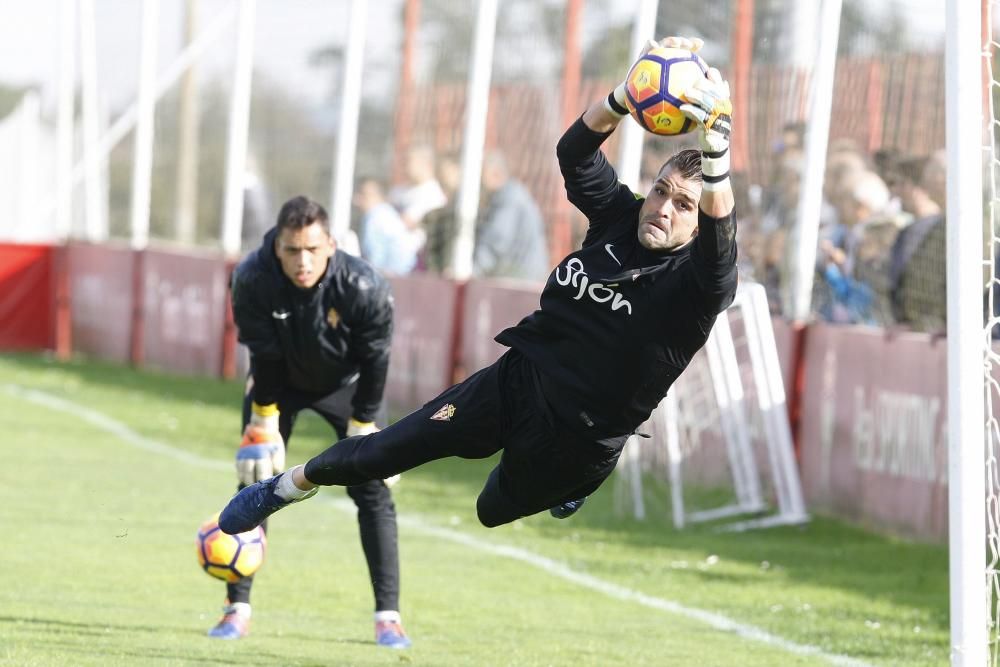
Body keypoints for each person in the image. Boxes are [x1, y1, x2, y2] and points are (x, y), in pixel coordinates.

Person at [217, 36, 735, 541]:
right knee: (391, 445)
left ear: (698, 221)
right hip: (516, 378)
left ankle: (575, 486)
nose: (663, 208)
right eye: (661, 190)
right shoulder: (621, 217)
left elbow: (720, 251)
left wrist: (717, 152)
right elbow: (574, 152)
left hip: (578, 436)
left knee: (491, 510)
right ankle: (284, 487)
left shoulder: (696, 285)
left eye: (683, 205)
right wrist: (625, 96)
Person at [209, 195, 411, 649]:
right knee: (254, 479)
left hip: (349, 386)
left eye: (313, 250)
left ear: (331, 247)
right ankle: (236, 608)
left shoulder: (364, 286)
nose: (303, 262)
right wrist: (263, 418)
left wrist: (364, 424)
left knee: (374, 490)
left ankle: (388, 618)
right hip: (278, 383)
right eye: (292, 251)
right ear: (276, 248)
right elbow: (262, 354)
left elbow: (377, 357)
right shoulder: (251, 278)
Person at [473, 150, 551, 282]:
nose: (478, 182)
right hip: (524, 274)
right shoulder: (514, 194)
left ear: (495, 173)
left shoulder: (509, 199)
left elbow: (497, 241)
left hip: (519, 277)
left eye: (481, 175)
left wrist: (473, 270)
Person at [354, 177, 420, 275]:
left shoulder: (374, 217)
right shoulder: (388, 213)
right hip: (405, 274)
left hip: (391, 277)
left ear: (378, 196)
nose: (357, 199)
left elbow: (375, 259)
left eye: (364, 195)